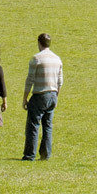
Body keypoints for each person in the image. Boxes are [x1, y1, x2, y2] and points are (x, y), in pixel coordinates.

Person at [22, 32, 63, 162]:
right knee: (48, 126)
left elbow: (30, 79)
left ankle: (30, 155)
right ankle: (45, 154)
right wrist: (56, 96)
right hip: (52, 94)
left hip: (40, 94)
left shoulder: (37, 58)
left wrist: (25, 97)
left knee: (33, 126)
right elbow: (60, 81)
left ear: (39, 43)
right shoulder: (57, 59)